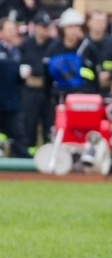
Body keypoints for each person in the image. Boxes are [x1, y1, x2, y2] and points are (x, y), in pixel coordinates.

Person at [18, 10, 53, 154]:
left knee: (49, 127)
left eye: (47, 26)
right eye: (43, 26)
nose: (46, 30)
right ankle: (28, 157)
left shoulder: (53, 45)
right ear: (35, 27)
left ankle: (48, 156)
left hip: (48, 93)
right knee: (29, 126)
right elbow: (19, 71)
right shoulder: (26, 45)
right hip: (30, 94)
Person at [0, 16, 30, 158]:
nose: (14, 32)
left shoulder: (16, 52)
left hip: (12, 105)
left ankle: (22, 170)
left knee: (19, 138)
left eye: (14, 29)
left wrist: (22, 75)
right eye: (10, 29)